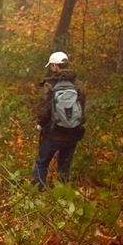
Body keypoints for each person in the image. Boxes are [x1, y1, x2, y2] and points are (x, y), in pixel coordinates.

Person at [31, 51, 86, 191]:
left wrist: (40, 124)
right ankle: (62, 195)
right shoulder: (79, 85)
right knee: (64, 167)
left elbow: (44, 110)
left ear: (55, 66)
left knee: (42, 163)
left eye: (51, 66)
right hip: (73, 132)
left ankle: (36, 194)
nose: (51, 69)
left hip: (53, 133)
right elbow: (82, 107)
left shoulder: (49, 85)